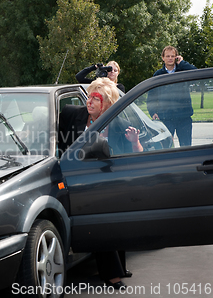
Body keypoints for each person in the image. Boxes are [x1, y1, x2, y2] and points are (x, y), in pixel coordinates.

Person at [58, 77, 141, 289]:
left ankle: (114, 273)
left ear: (108, 104)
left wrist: (135, 143)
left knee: (104, 217)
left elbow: (135, 157)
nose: (90, 102)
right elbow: (56, 137)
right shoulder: (72, 114)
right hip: (73, 176)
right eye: (90, 96)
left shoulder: (119, 125)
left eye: (96, 98)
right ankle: (115, 270)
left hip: (105, 179)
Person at [147, 46, 196, 146]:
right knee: (166, 147)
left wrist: (182, 63)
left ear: (176, 57)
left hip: (184, 117)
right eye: (167, 56)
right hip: (166, 117)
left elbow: (196, 73)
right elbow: (152, 95)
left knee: (186, 146)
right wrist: (152, 111)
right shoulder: (158, 75)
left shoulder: (183, 70)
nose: (170, 58)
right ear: (163, 58)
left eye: (172, 56)